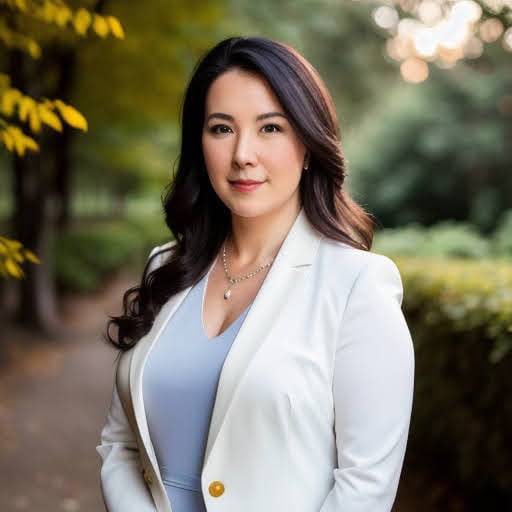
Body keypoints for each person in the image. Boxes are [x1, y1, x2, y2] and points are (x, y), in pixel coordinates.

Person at [97, 36, 414, 512]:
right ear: (200, 144)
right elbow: (119, 446)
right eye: (222, 129)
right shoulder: (167, 267)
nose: (243, 153)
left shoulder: (357, 286)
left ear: (308, 143)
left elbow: (365, 486)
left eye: (270, 128)